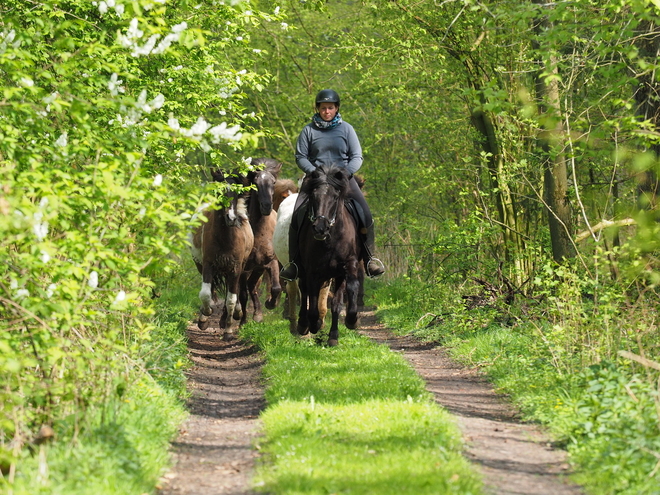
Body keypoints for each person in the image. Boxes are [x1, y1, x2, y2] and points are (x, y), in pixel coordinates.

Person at [279, 89, 386, 281]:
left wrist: (344, 173)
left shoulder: (347, 129)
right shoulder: (308, 131)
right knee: (297, 214)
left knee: (365, 212)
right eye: (323, 108)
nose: (326, 111)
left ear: (336, 109)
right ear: (317, 109)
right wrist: (314, 173)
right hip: (316, 179)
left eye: (330, 108)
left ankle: (370, 259)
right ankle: (294, 263)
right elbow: (300, 156)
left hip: (342, 178)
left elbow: (356, 156)